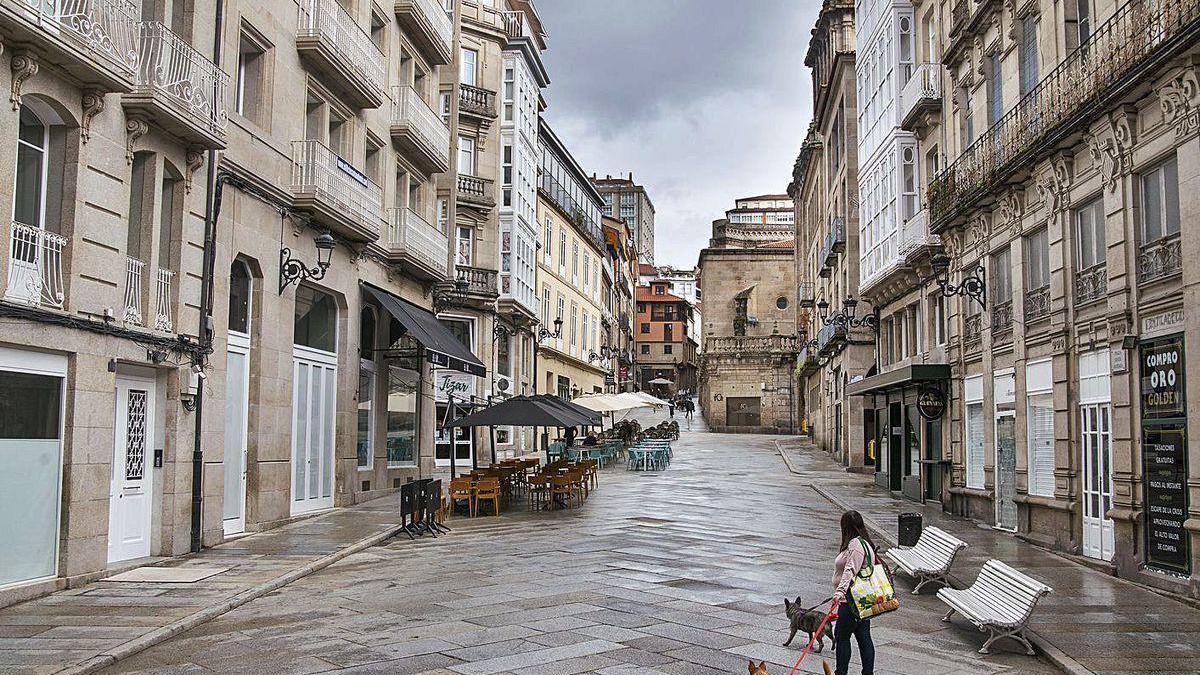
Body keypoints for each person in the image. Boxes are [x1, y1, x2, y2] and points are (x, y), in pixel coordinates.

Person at [831, 510, 877, 675]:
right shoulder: (865, 543)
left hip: (851, 600)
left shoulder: (856, 545)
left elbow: (850, 570)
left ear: (846, 527)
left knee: (841, 637)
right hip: (861, 599)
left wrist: (840, 592)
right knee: (863, 637)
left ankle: (841, 672)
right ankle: (868, 673)